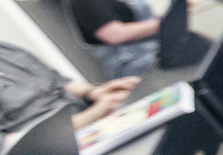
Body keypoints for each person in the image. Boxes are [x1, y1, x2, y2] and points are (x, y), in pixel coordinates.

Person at [0, 41, 136, 133]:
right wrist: (94, 113)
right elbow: (13, 144)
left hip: (92, 123)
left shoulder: (7, 50)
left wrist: (96, 92)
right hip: (56, 153)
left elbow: (61, 82)